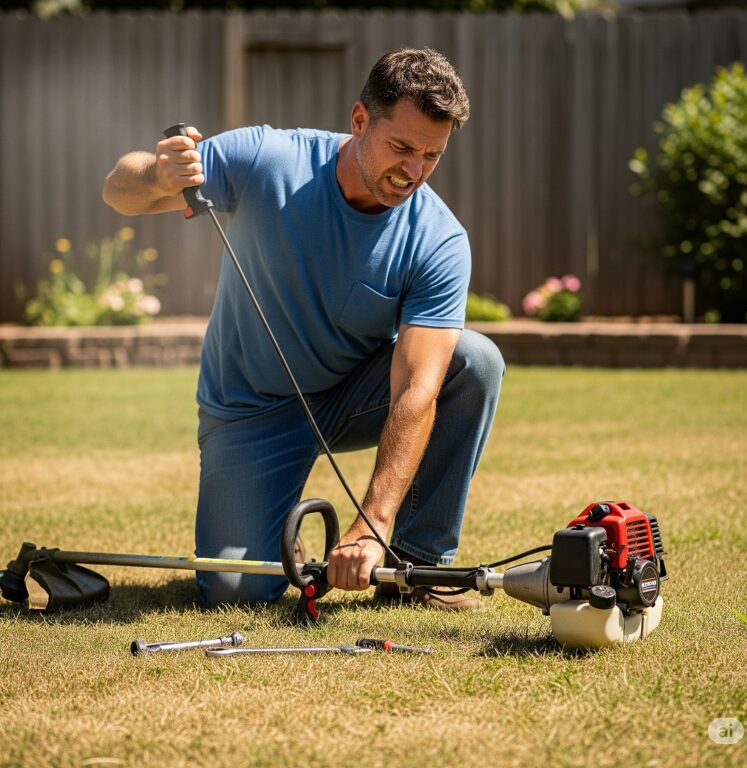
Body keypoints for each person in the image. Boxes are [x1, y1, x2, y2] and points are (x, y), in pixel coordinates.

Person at [102, 48, 505, 611]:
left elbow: (416, 391)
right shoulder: (268, 158)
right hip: (250, 412)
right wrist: (155, 172)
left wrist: (373, 523)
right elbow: (119, 193)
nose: (413, 171)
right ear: (360, 121)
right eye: (402, 148)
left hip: (349, 399)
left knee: (476, 362)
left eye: (432, 156)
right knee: (236, 595)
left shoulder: (438, 239)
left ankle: (419, 565)